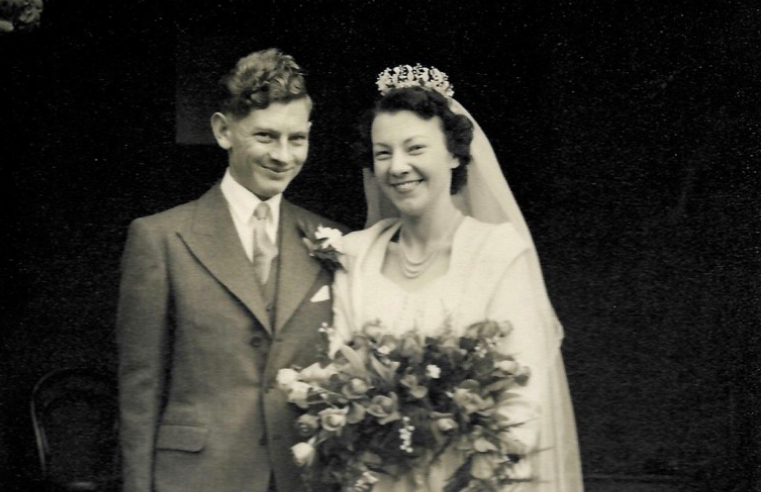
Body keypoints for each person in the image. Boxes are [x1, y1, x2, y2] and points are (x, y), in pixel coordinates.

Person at [332, 65, 584, 491]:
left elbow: (521, 401)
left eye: (415, 148)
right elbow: (341, 376)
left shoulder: (498, 254)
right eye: (382, 153)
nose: (398, 167)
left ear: (453, 152)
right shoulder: (355, 255)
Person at [117, 48, 346, 492]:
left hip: (300, 478)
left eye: (297, 139)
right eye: (265, 136)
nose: (283, 156)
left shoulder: (333, 239)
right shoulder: (161, 238)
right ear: (223, 131)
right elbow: (139, 392)